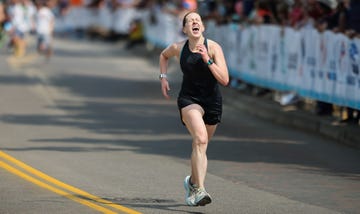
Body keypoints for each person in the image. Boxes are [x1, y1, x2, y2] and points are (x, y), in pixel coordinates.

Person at [158, 11, 229, 206]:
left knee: (202, 146)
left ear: (203, 27)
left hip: (212, 101)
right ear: (185, 29)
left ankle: (191, 182)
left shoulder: (213, 48)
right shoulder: (178, 48)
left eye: (198, 20)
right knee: (200, 139)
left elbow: (224, 79)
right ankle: (199, 190)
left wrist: (207, 59)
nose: (195, 22)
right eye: (190, 21)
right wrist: (163, 78)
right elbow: (163, 56)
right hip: (189, 99)